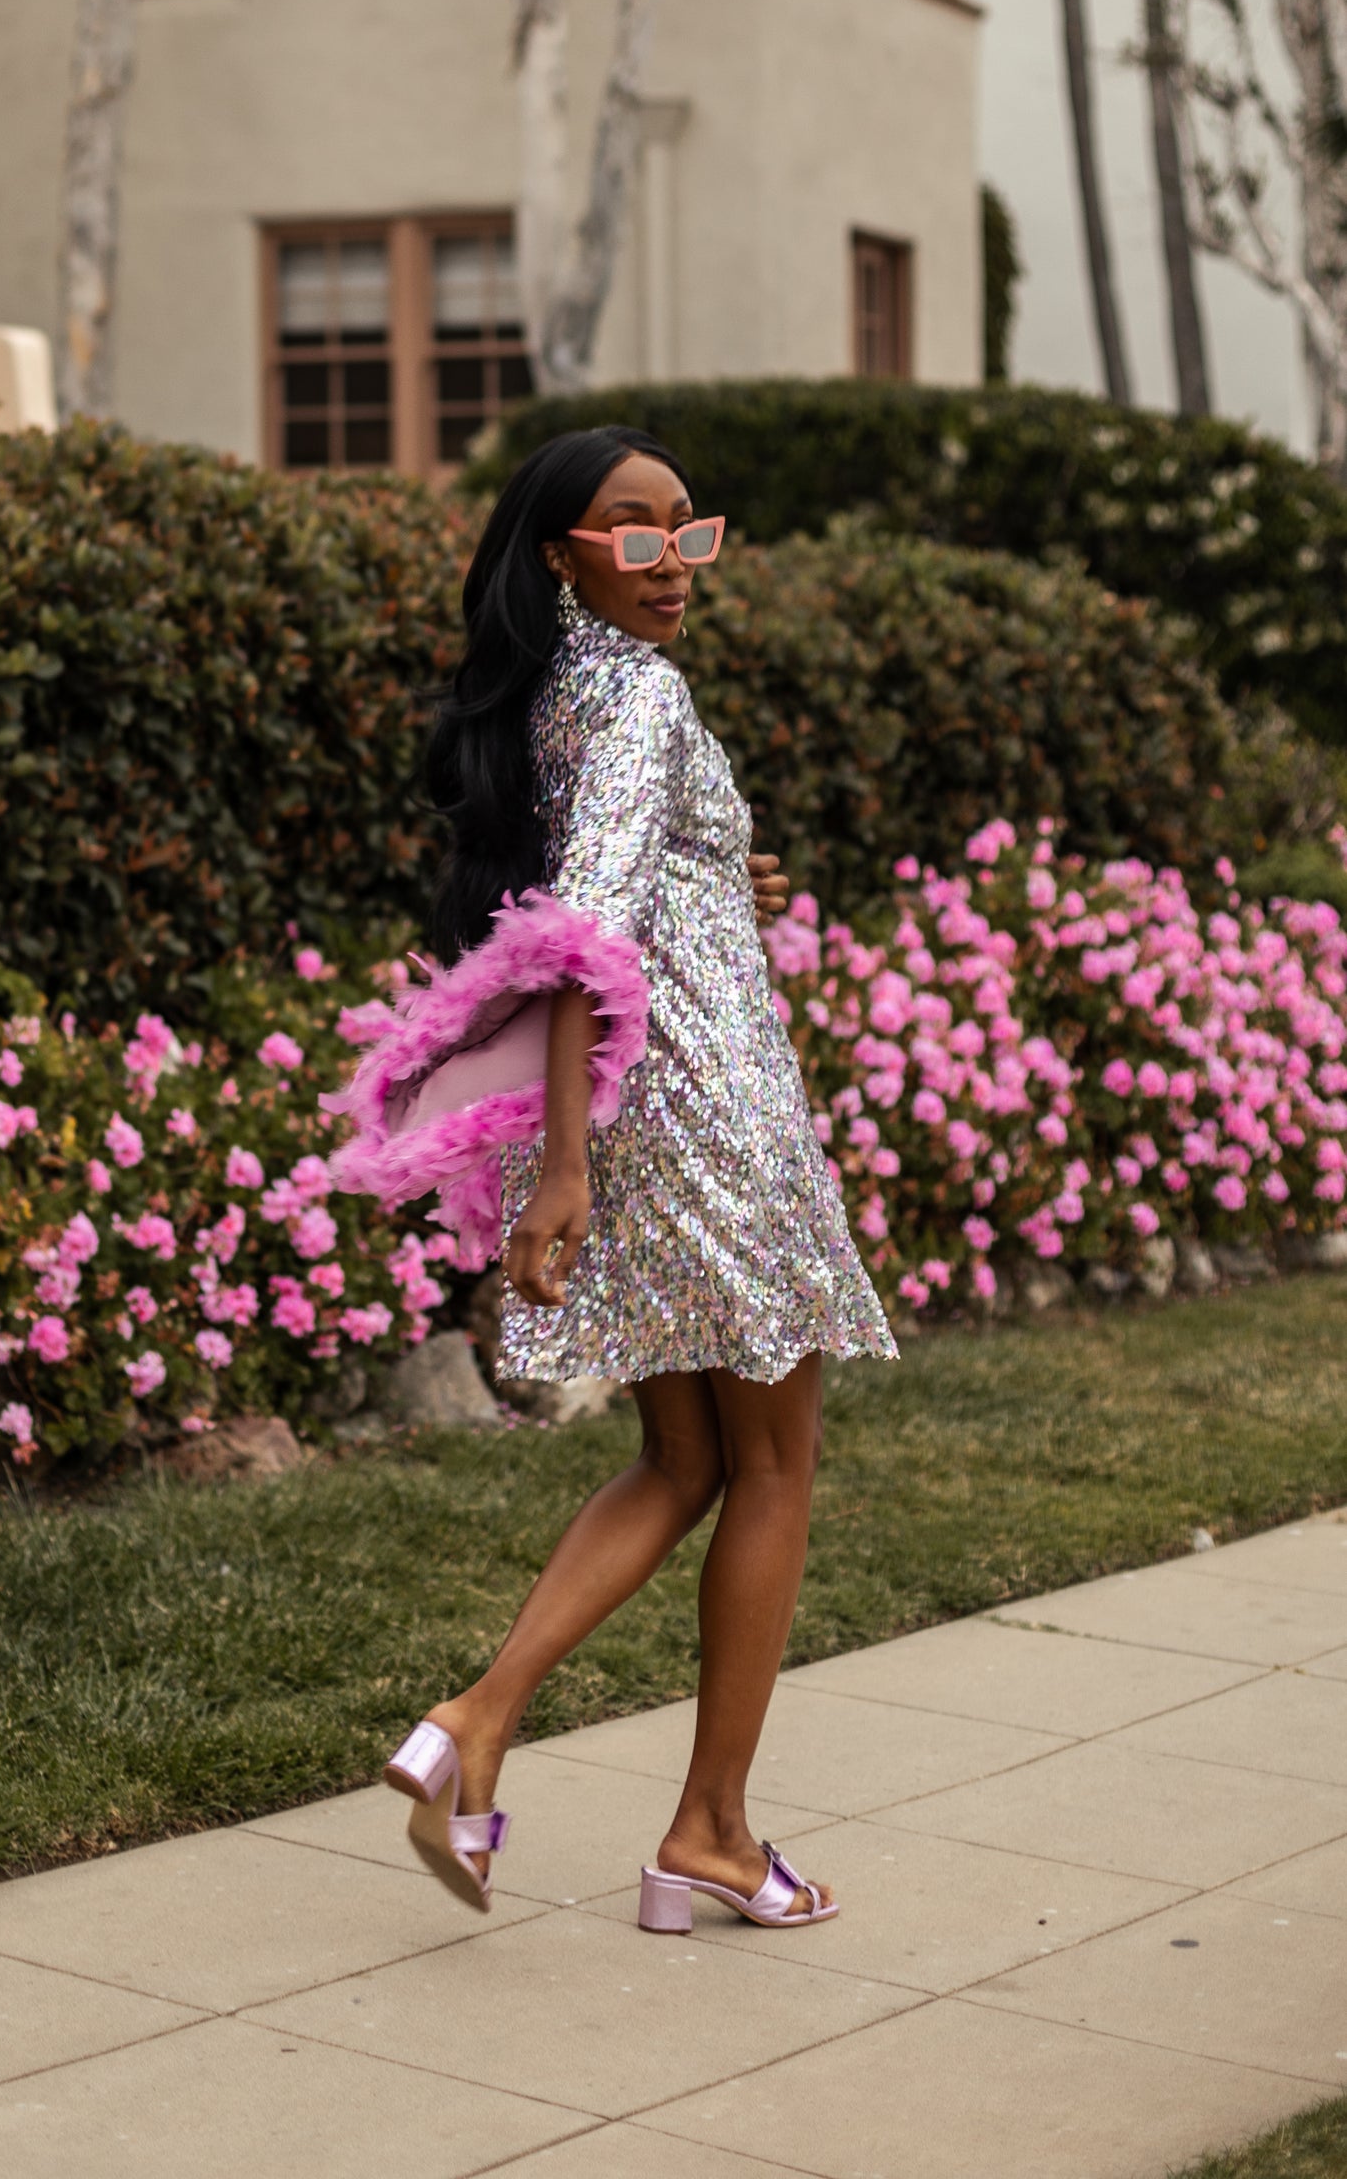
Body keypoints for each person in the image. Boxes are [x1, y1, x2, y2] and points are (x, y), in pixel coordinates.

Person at [329, 426, 895, 1936]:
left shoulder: (563, 696)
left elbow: (625, 875)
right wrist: (560, 1165)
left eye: (686, 533)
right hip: (702, 1108)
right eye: (631, 536)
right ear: (560, 554)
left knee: (687, 1462)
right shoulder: (637, 689)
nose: (670, 566)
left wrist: (727, 867)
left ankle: (473, 1722)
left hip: (653, 1102)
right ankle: (707, 1830)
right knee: (774, 1463)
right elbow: (584, 931)